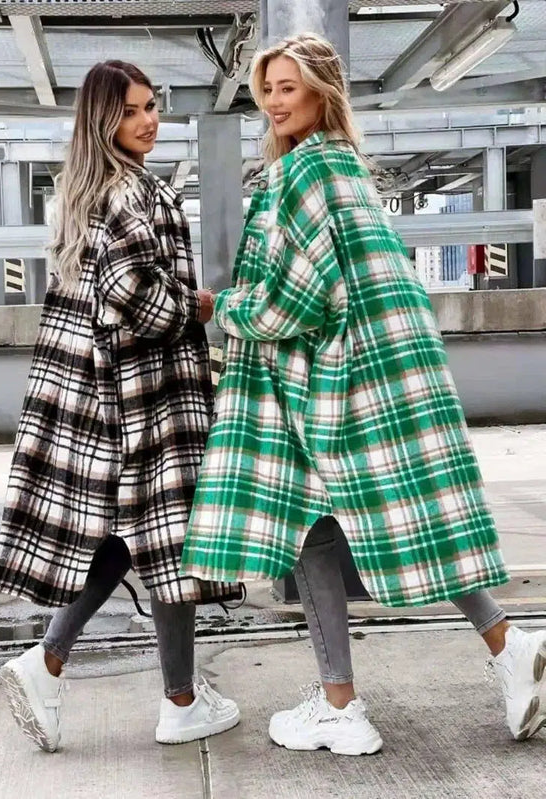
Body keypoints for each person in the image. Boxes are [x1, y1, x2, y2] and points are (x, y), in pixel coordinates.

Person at [180, 33, 546, 755]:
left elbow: (295, 300)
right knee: (410, 514)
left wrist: (223, 309)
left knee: (311, 525)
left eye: (288, 87)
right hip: (386, 366)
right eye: (267, 89)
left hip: (331, 377)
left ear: (322, 92)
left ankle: (341, 706)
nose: (274, 102)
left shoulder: (300, 172)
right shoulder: (346, 166)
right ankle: (508, 646)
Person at [0, 60, 241, 753]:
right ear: (103, 119)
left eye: (151, 106)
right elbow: (131, 290)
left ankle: (55, 665)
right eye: (131, 110)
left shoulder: (83, 191)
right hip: (145, 390)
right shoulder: (134, 191)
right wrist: (196, 306)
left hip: (91, 389)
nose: (148, 120)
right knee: (169, 539)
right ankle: (176, 701)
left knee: (132, 539)